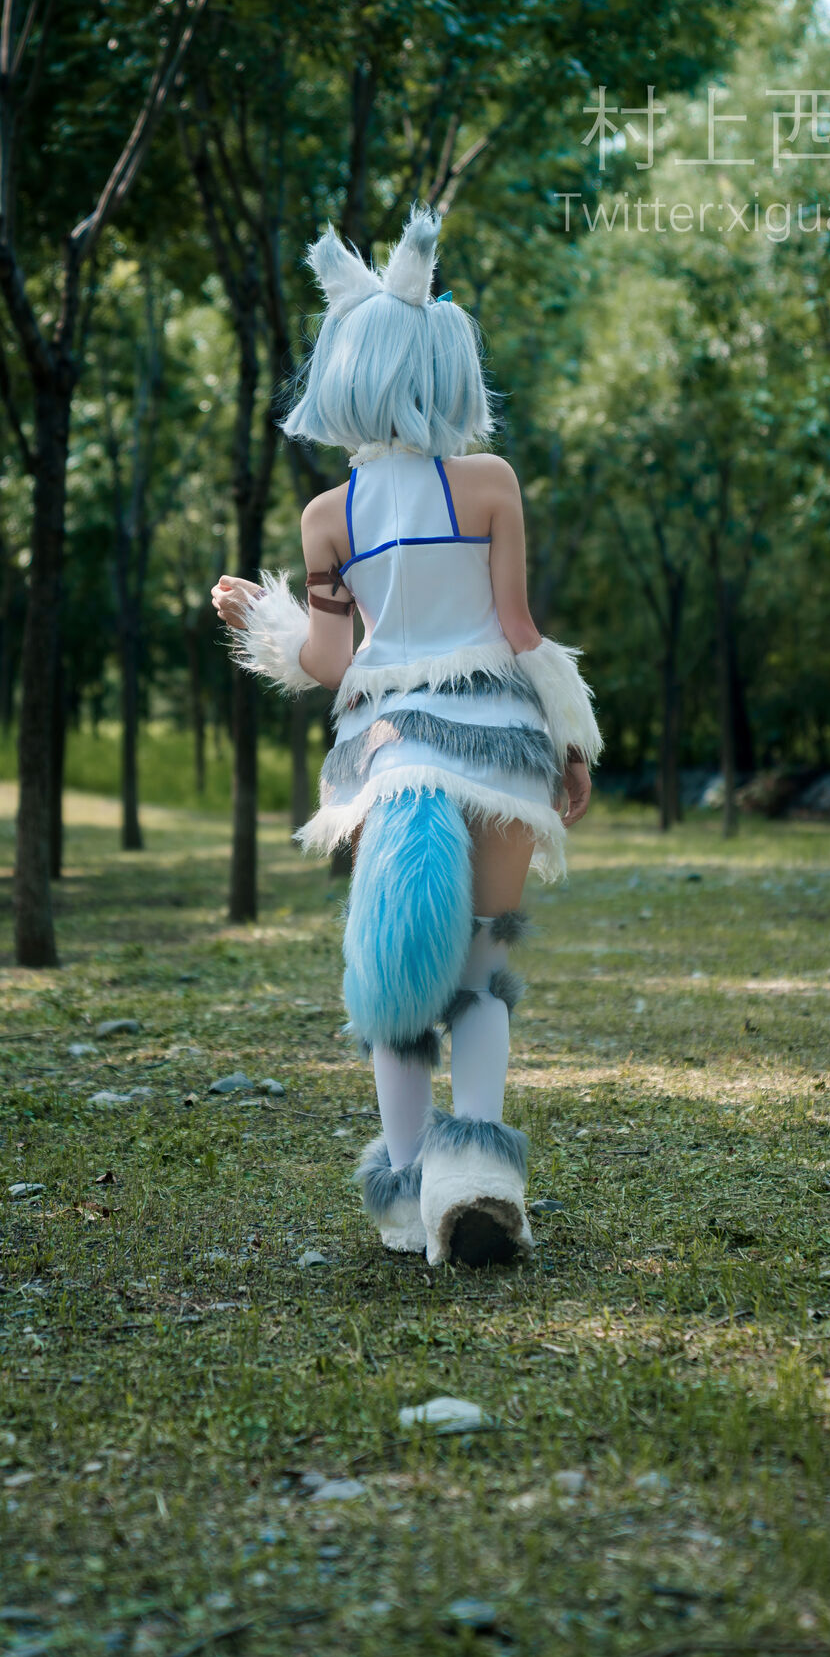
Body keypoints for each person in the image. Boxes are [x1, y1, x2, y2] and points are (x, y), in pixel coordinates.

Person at [212, 201, 600, 1269]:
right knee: (479, 973)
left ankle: (406, 1192)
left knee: (395, 985)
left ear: (345, 372)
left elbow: (333, 663)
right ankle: (480, 1181)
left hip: (390, 759)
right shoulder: (489, 484)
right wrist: (571, 743)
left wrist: (263, 622)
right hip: (500, 753)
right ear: (444, 367)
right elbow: (520, 632)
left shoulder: (326, 518)